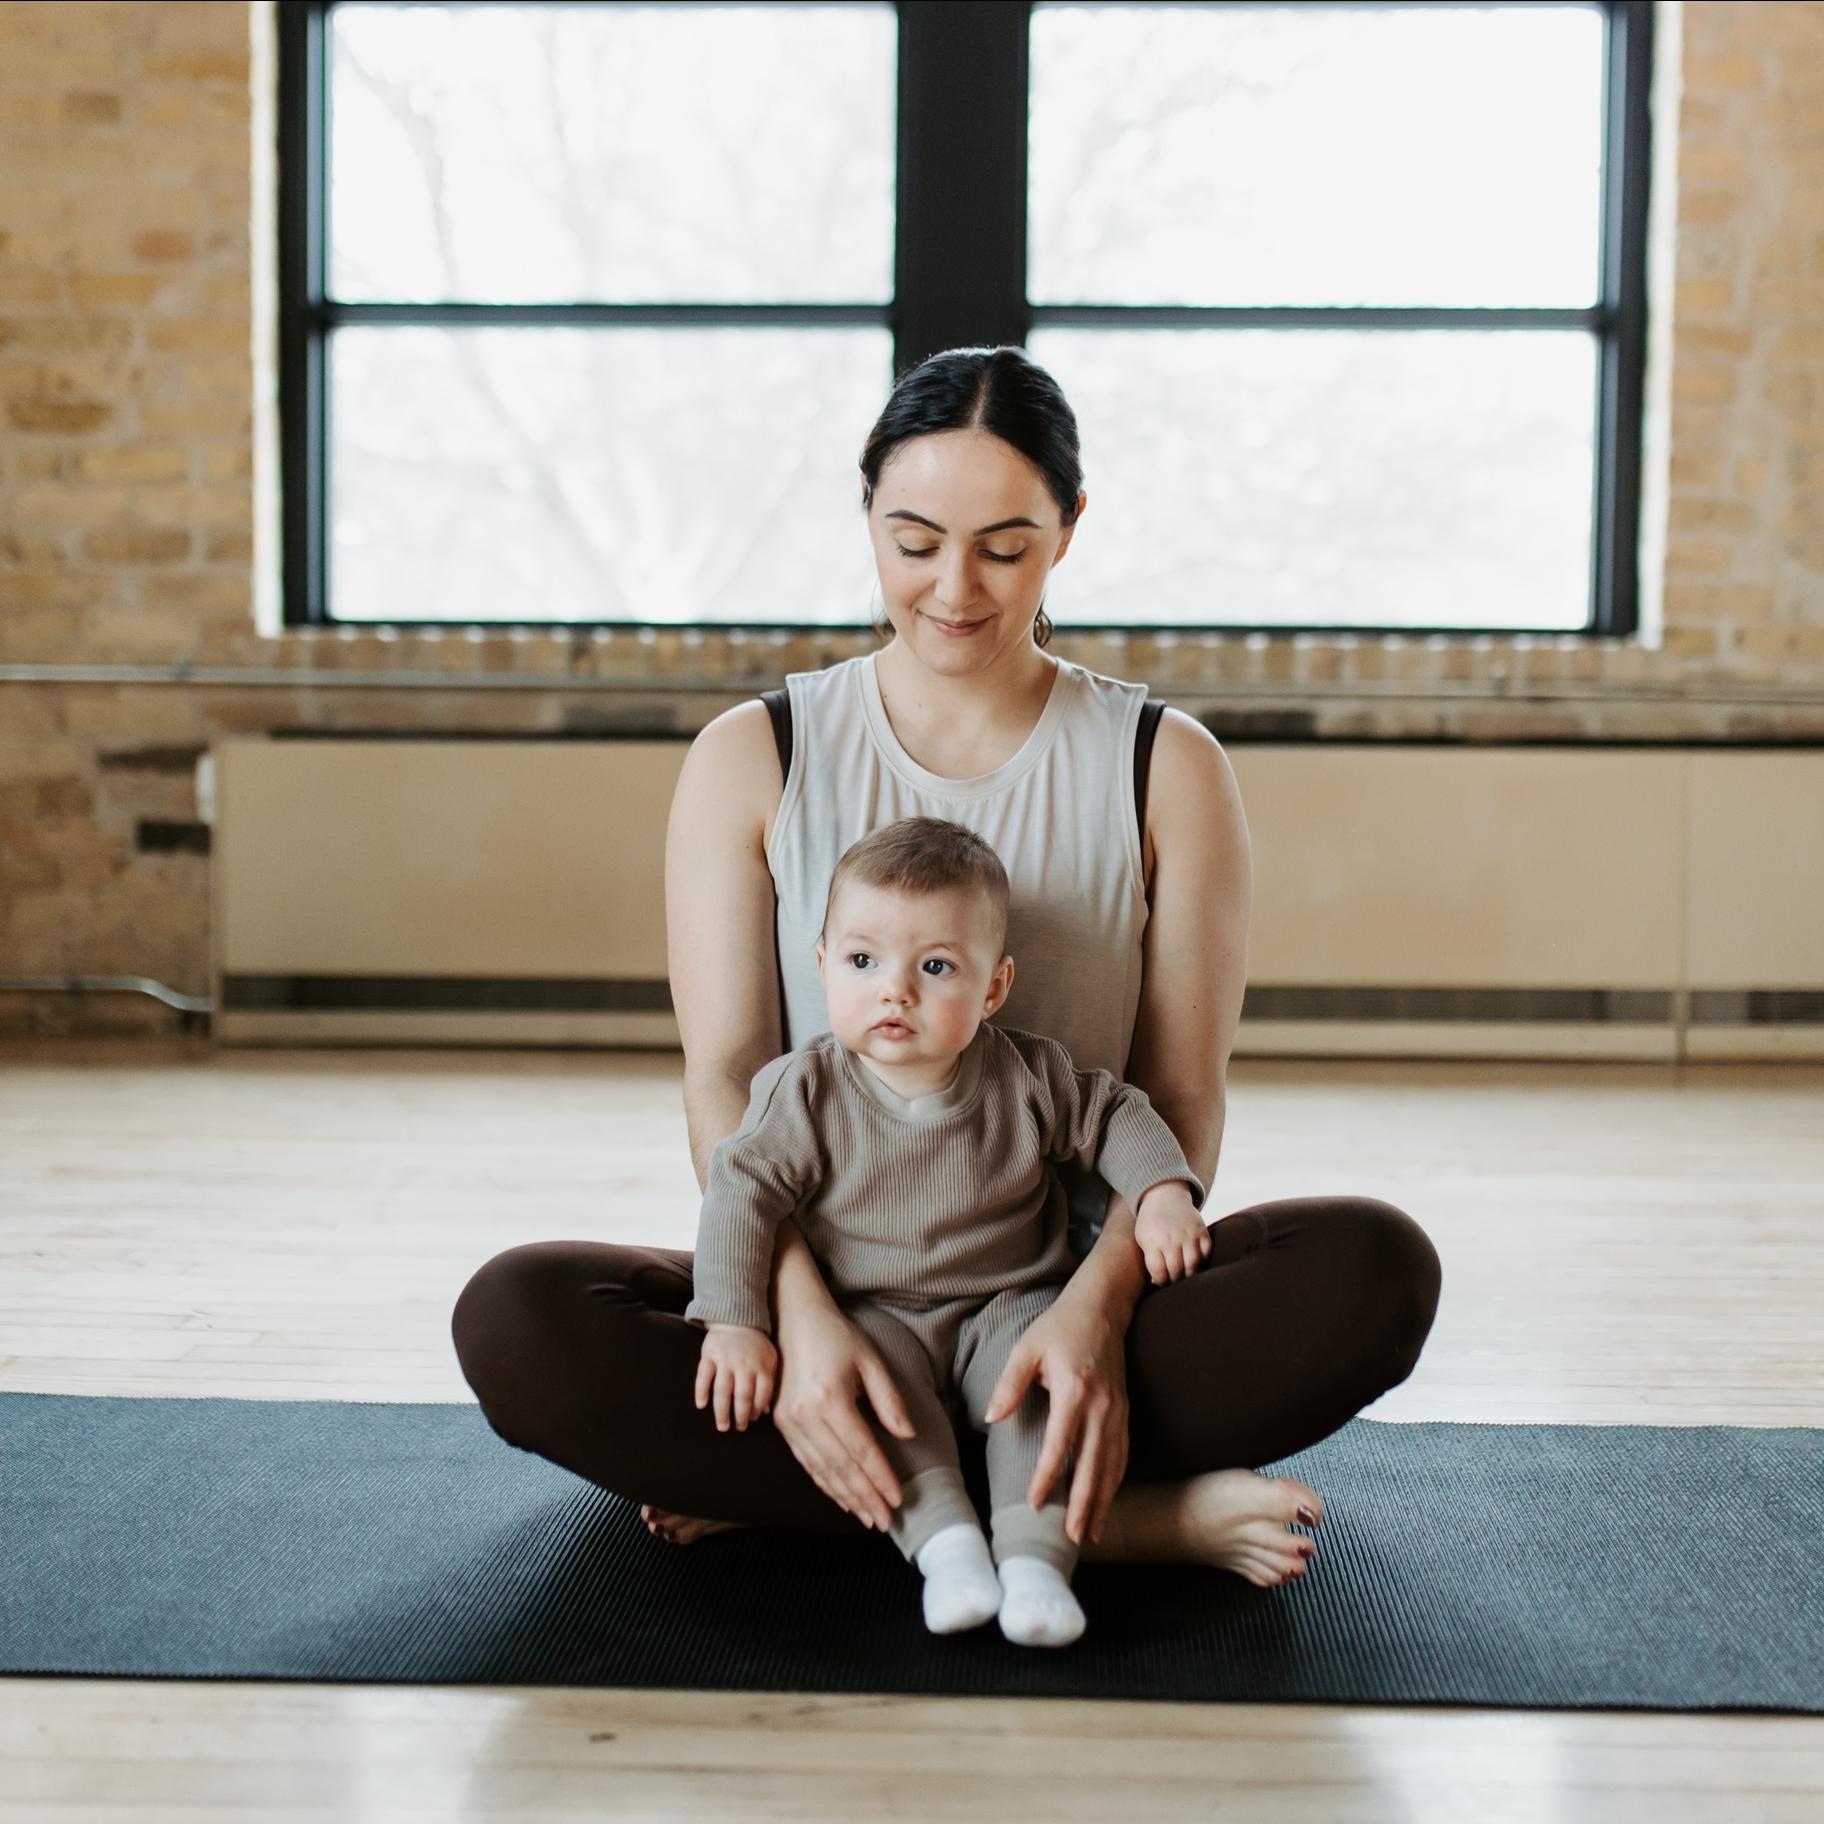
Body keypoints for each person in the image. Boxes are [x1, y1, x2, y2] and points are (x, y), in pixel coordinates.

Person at [451, 344, 1443, 1598]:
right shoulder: (752, 754)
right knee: (519, 1318)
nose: (954, 589)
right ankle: (1127, 1522)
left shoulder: (1164, 762)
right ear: (866, 516)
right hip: (832, 1287)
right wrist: (795, 1323)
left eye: (1005, 546)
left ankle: (818, 1501)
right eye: (913, 541)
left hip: (1069, 1294)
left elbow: (1178, 1096)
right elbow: (727, 1081)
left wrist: (1095, 1309)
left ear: (1070, 531)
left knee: (1375, 1266)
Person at [686, 814, 1213, 1646]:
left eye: (935, 967)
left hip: (1010, 1301)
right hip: (869, 1314)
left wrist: (1161, 1194)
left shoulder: (1026, 1073)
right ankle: (948, 1549)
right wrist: (735, 1322)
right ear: (822, 966)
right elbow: (739, 1193)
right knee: (878, 1412)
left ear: (994, 988)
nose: (895, 990)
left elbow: (1117, 1115)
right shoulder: (805, 1089)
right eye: (863, 962)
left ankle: (1038, 1564)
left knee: (1036, 1396)